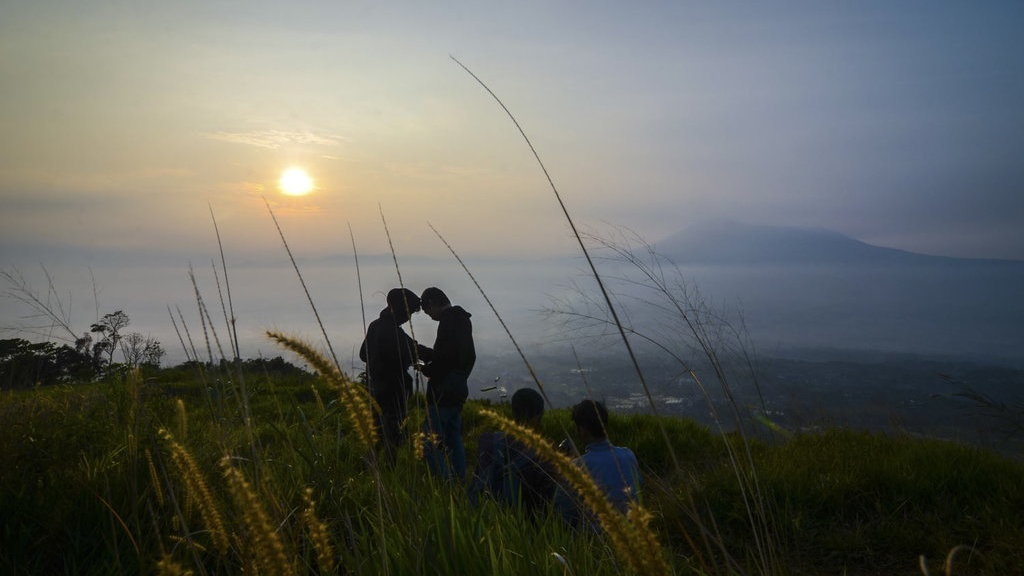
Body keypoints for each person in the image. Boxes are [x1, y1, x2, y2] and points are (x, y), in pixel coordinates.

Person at [359, 287, 430, 465]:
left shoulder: (376, 326)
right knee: (393, 435)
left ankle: (371, 469)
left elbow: (362, 354)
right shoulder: (394, 332)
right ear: (398, 309)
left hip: (374, 388)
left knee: (376, 433)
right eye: (409, 313)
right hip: (393, 392)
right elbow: (414, 352)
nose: (409, 318)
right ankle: (389, 471)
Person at [468, 387, 556, 518]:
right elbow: (549, 500)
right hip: (519, 523)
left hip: (480, 515)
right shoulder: (541, 456)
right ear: (537, 418)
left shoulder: (488, 441)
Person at [554, 399, 640, 529]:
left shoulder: (578, 467)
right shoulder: (629, 455)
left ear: (582, 429)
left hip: (595, 541)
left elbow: (561, 511)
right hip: (635, 534)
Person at [418, 287, 475, 482]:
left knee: (429, 441)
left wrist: (428, 370)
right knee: (453, 439)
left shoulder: (447, 321)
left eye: (427, 311)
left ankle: (445, 482)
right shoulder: (463, 320)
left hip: (442, 392)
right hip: (459, 390)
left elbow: (444, 359)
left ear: (433, 303)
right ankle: (460, 480)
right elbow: (465, 356)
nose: (429, 316)